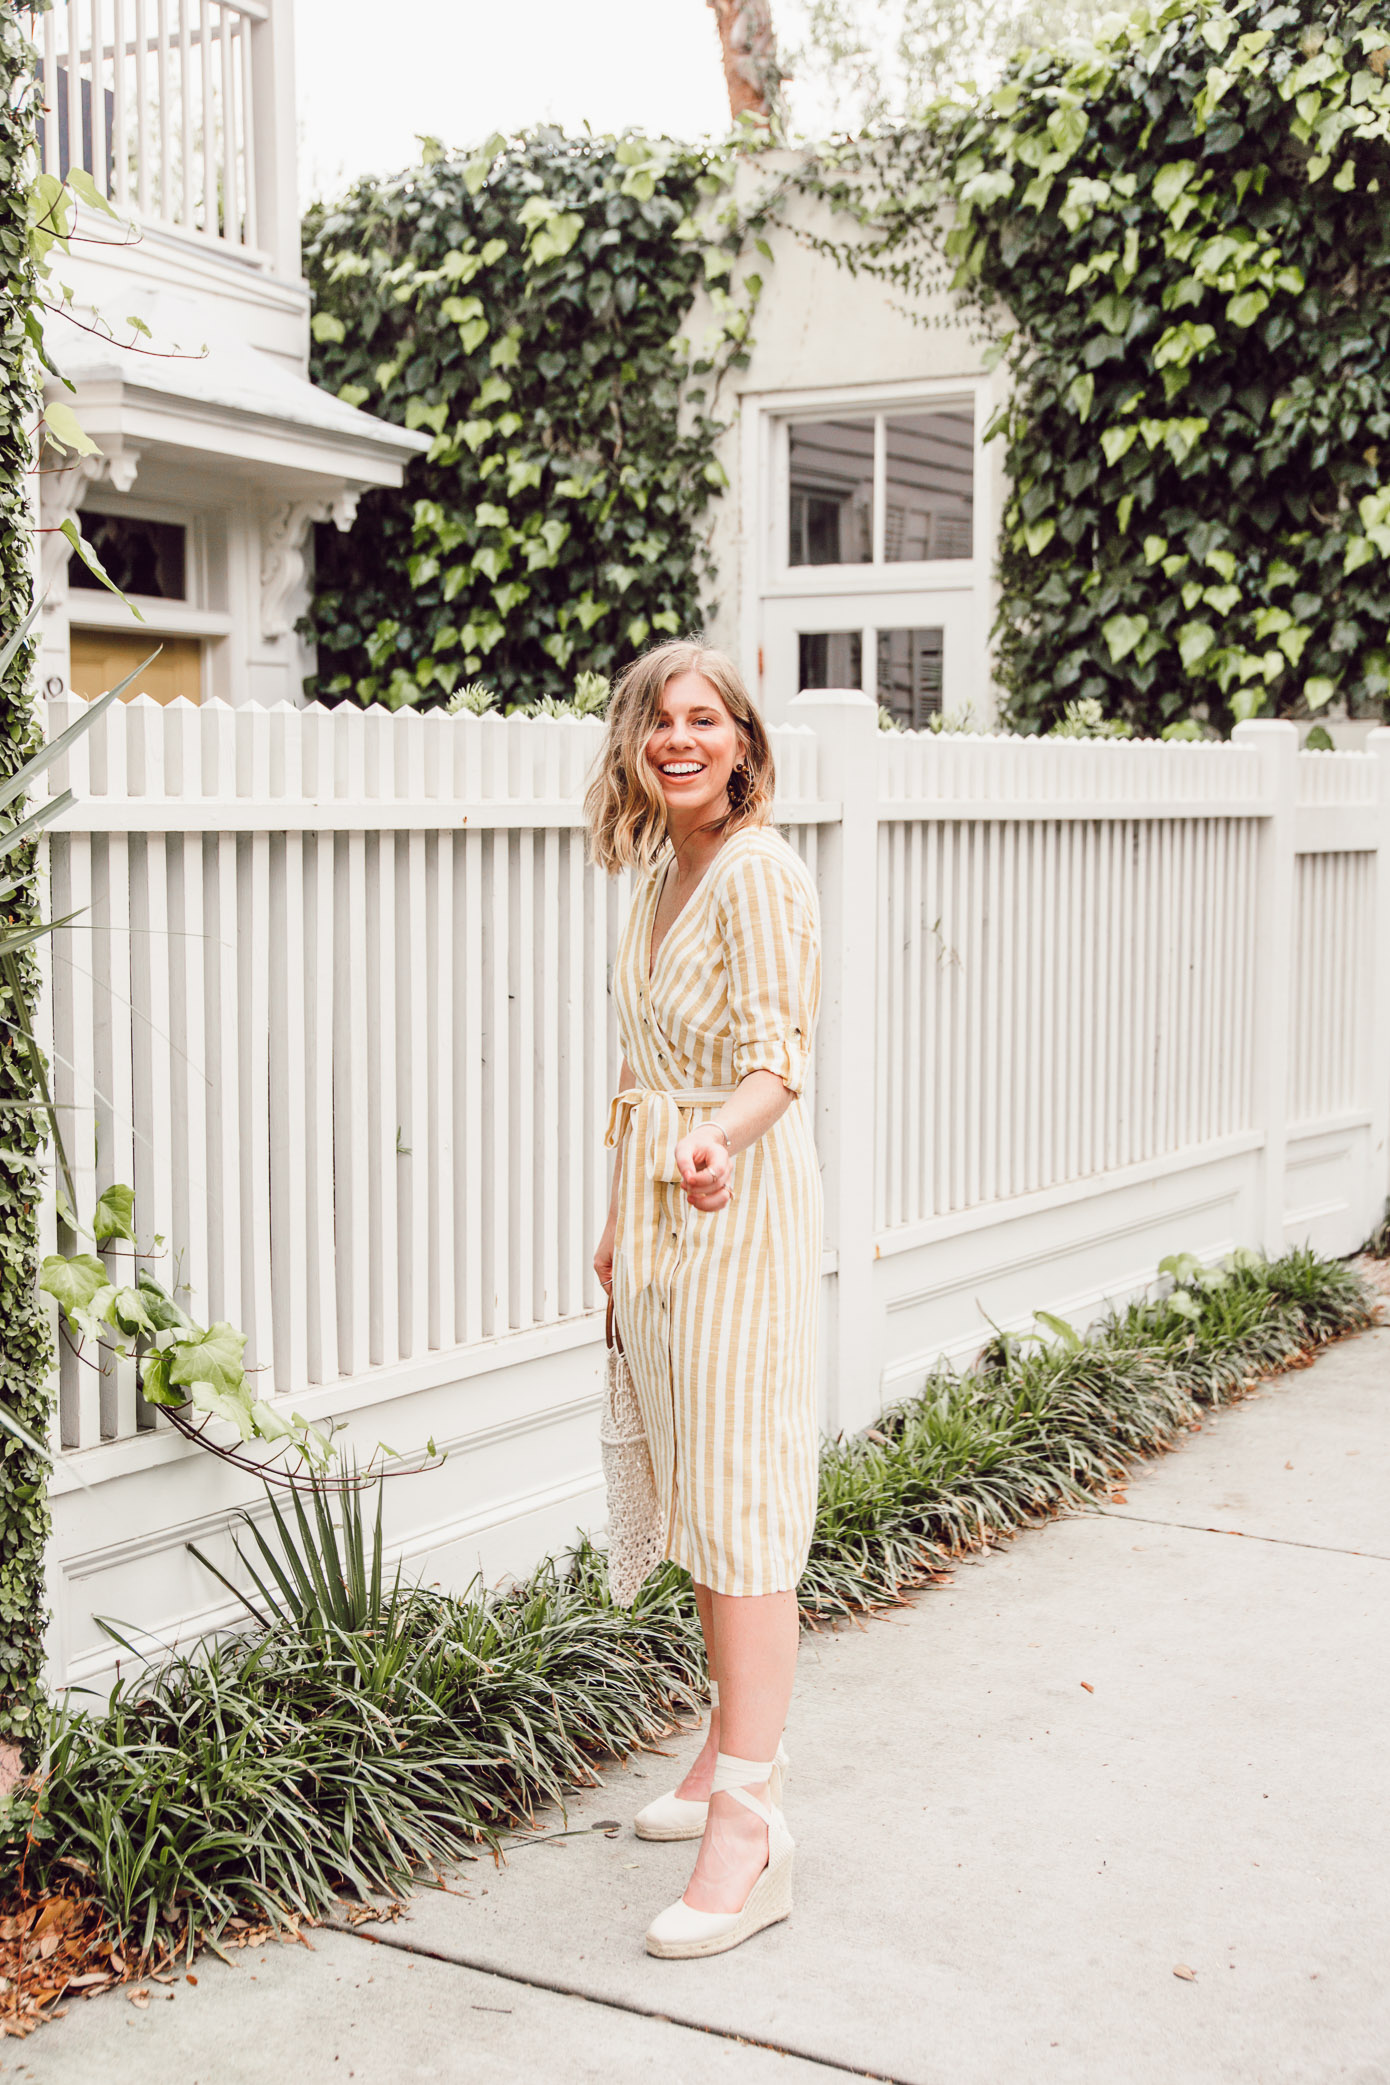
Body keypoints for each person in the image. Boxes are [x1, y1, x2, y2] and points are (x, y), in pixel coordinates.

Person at [586, 639, 823, 1960]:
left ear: (740, 743)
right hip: (664, 1214)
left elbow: (777, 1062)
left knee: (741, 1507)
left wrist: (713, 1144)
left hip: (736, 1216)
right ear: (634, 745)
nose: (677, 739)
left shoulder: (758, 872)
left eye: (701, 721)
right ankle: (722, 1747)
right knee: (691, 1483)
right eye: (655, 721)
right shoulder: (656, 872)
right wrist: (621, 1218)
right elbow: (640, 1063)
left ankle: (753, 1824)